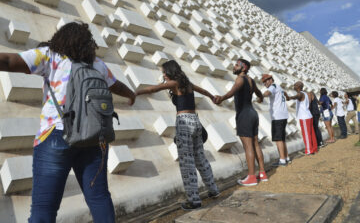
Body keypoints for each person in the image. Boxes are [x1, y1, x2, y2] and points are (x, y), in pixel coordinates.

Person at [0, 22, 136, 222]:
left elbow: (8, 61)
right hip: (94, 138)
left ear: (61, 39)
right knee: (99, 198)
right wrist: (131, 94)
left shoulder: (50, 56)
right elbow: (118, 86)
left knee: (43, 211)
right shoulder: (98, 65)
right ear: (88, 43)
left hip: (56, 135)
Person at [136, 60, 219, 210]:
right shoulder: (187, 84)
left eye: (164, 72)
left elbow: (154, 89)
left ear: (169, 72)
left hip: (184, 122)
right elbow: (205, 92)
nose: (163, 75)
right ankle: (213, 189)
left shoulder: (174, 83)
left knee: (187, 162)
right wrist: (213, 97)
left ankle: (194, 200)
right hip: (196, 121)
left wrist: (136, 92)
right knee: (200, 158)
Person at [214, 59, 267, 186]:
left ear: (244, 68)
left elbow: (233, 92)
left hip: (244, 114)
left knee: (248, 146)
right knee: (255, 144)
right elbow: (260, 94)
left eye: (237, 65)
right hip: (253, 113)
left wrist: (221, 98)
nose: (234, 66)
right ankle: (262, 173)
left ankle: (251, 177)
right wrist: (260, 98)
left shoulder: (240, 79)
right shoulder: (251, 80)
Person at [260, 74, 291, 166]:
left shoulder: (273, 86)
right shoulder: (279, 86)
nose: (265, 83)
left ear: (271, 80)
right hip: (283, 115)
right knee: (282, 139)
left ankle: (282, 160)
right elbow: (285, 93)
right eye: (263, 82)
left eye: (266, 81)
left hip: (277, 116)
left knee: (278, 139)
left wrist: (261, 96)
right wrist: (288, 97)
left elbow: (268, 93)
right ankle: (286, 157)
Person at [285, 82, 318, 155]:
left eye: (295, 85)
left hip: (304, 118)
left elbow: (297, 96)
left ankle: (309, 150)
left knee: (306, 134)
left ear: (299, 86)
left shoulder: (301, 94)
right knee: (311, 133)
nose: (294, 86)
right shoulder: (305, 93)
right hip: (308, 116)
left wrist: (290, 97)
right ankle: (314, 148)